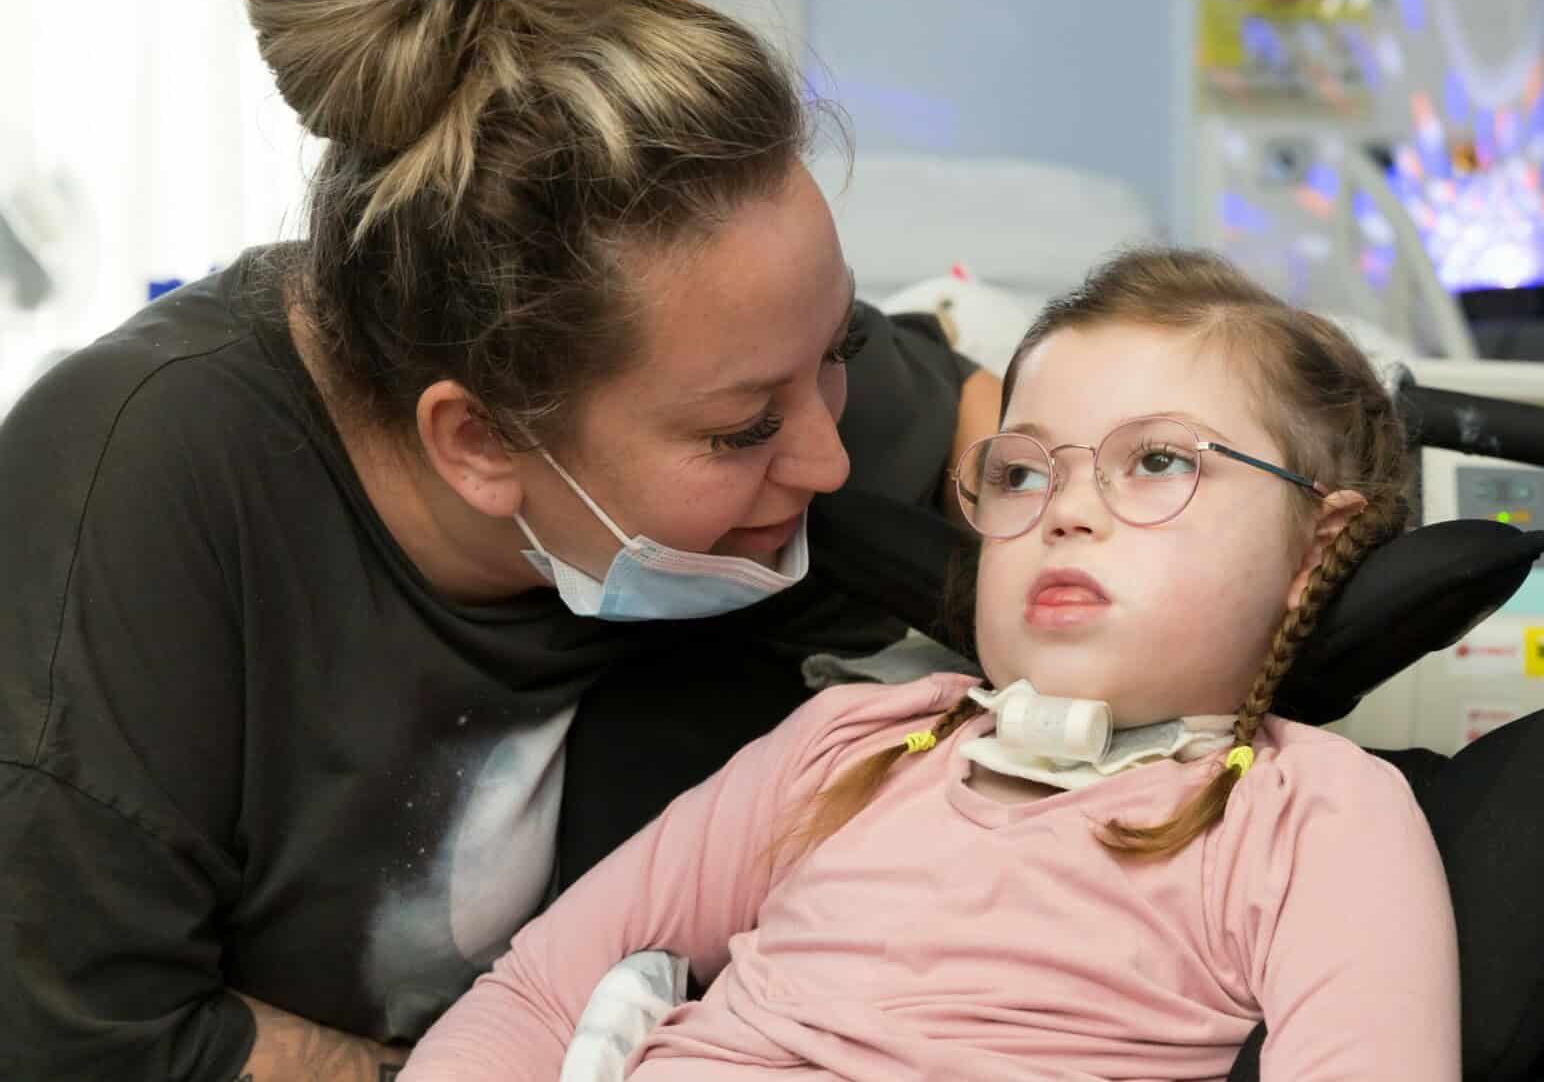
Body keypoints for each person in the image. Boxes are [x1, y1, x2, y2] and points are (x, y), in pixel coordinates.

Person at [0, 0, 999, 1079]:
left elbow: (1040, 461)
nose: (828, 457)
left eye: (837, 348)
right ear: (475, 438)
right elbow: (92, 1039)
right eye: (744, 429)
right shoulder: (141, 488)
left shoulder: (751, 338)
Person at [399, 247, 1462, 1082]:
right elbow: (536, 997)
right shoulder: (849, 744)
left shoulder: (1311, 816)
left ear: (1316, 548)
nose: (1069, 510)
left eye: (1161, 460)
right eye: (1026, 470)